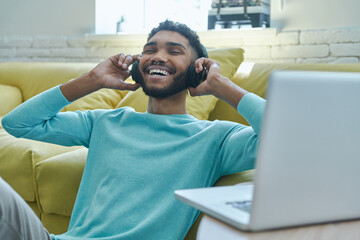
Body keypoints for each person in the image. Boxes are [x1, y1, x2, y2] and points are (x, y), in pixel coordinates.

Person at [0, 20, 266, 240]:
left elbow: (286, 139)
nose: (158, 57)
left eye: (174, 51)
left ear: (197, 72)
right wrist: (92, 80)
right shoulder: (105, 122)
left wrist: (221, 84)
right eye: (150, 50)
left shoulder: (215, 138)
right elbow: (18, 123)